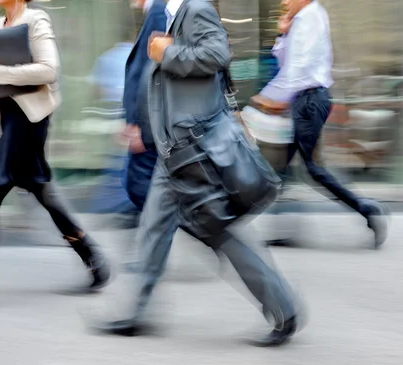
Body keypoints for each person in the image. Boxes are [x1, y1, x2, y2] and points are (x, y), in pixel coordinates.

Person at [92, 0, 300, 347]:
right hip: (173, 151)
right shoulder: (175, 15)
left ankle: (284, 308)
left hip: (195, 152)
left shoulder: (195, 8)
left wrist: (168, 52)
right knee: (153, 231)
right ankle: (133, 313)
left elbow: (217, 54)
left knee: (220, 232)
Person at [0, 0, 110, 304]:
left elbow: (48, 70)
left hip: (28, 124)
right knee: (42, 191)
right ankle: (94, 260)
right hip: (8, 122)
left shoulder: (36, 20)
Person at [258, 0, 389, 249]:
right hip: (304, 99)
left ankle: (368, 209)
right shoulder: (302, 19)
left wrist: (270, 96)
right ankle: (284, 229)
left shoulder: (310, 16)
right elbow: (286, 60)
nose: (284, 2)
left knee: (312, 168)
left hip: (309, 99)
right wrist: (282, 33)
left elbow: (298, 67)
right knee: (284, 168)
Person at [119, 0, 167, 270]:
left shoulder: (160, 11)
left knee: (139, 187)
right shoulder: (156, 11)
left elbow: (151, 72)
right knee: (150, 189)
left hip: (150, 122)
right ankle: (151, 256)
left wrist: (137, 123)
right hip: (151, 121)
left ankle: (208, 232)